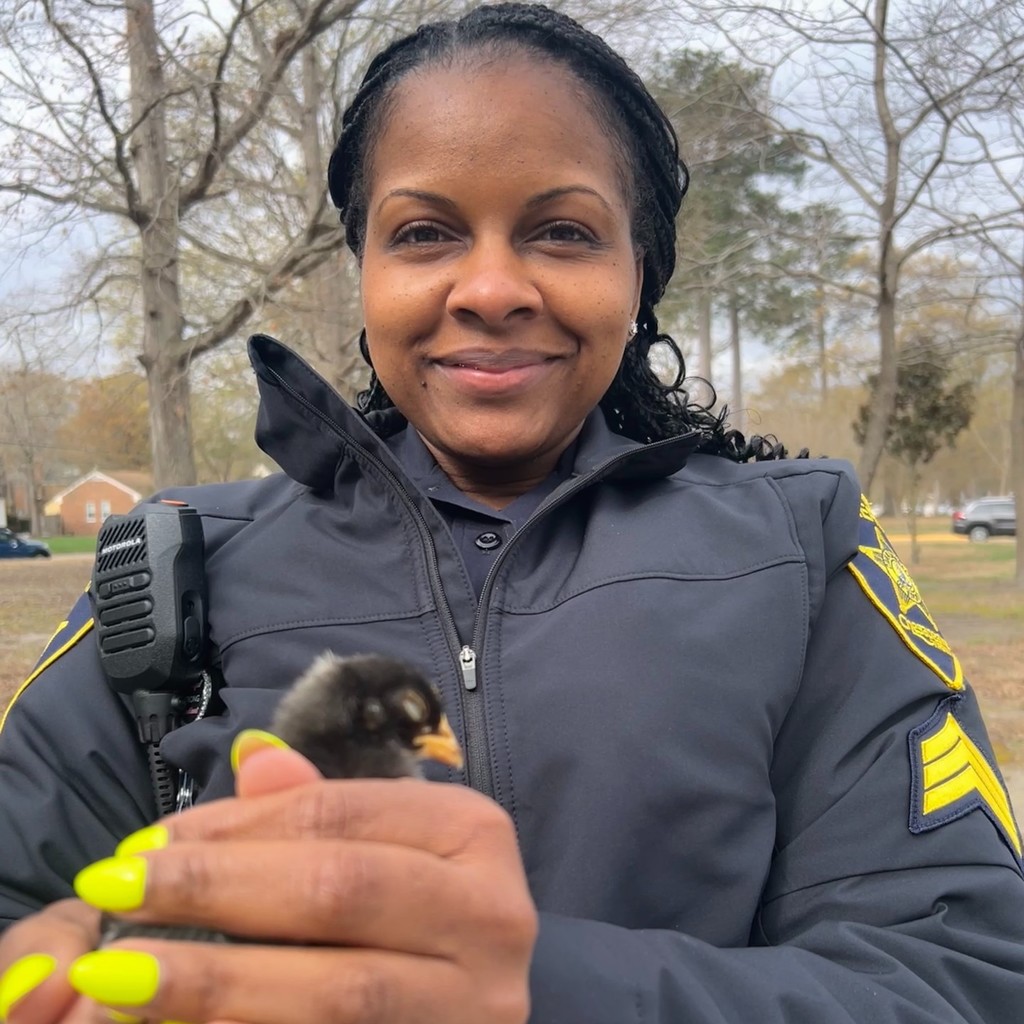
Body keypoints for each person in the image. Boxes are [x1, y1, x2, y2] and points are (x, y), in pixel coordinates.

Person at [1, 3, 1023, 1021]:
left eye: (563, 232)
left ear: (638, 274)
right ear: (365, 270)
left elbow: (961, 977)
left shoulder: (801, 549)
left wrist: (530, 989)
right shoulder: (179, 563)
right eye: (425, 232)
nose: (489, 286)